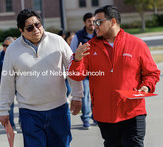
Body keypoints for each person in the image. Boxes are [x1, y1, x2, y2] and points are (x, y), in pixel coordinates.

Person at [68, 5, 160, 147]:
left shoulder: (137, 44)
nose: (94, 25)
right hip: (105, 114)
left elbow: (152, 73)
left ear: (113, 21)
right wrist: (77, 59)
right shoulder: (88, 47)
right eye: (94, 22)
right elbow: (77, 75)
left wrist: (146, 87)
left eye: (99, 22)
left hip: (133, 111)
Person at [0, 9, 83, 147]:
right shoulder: (13, 49)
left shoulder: (58, 41)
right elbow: (7, 81)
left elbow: (72, 69)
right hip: (29, 113)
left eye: (38, 24)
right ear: (21, 30)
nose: (36, 30)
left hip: (58, 110)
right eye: (30, 28)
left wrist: (77, 96)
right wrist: (4, 110)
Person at [70, 12, 96, 129]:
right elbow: (72, 53)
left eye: (93, 21)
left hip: (97, 71)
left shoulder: (99, 33)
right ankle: (86, 118)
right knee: (85, 94)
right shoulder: (78, 36)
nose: (92, 23)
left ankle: (96, 117)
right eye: (89, 21)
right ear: (84, 22)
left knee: (96, 95)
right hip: (84, 71)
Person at [0, 36, 17, 133]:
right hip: (6, 84)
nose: (5, 47)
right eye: (4, 45)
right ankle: (12, 126)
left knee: (23, 104)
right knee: (10, 105)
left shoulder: (17, 54)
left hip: (18, 82)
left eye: (7, 45)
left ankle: (23, 122)